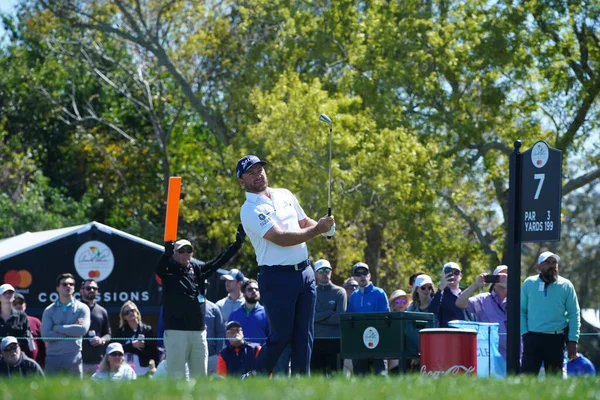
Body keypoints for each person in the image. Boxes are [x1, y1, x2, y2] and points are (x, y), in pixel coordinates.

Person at [237, 154, 335, 376]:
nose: (258, 175)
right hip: (276, 278)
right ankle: (254, 376)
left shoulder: (285, 194)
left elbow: (303, 223)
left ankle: (301, 385)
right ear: (241, 182)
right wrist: (318, 229)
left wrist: (325, 228)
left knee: (304, 335)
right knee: (281, 337)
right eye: (250, 173)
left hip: (305, 273)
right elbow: (281, 238)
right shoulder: (249, 210)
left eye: (259, 169)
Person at [156, 226, 245, 379]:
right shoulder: (169, 270)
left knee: (200, 378)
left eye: (189, 250)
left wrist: (236, 245)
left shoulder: (197, 271)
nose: (186, 254)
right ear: (174, 254)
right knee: (176, 379)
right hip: (176, 332)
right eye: (181, 251)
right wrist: (166, 255)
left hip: (198, 333)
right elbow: (158, 271)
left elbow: (218, 261)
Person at [520, 251, 580, 375]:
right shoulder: (529, 283)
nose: (552, 265)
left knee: (555, 380)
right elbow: (521, 310)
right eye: (547, 262)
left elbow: (574, 314)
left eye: (554, 262)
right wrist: (524, 334)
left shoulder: (566, 285)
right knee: (526, 379)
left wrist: (573, 340)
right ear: (539, 267)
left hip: (556, 340)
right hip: (532, 338)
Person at [41, 273, 90, 378]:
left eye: (71, 284)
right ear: (57, 288)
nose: (68, 286)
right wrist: (72, 330)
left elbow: (82, 331)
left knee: (76, 393)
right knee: (51, 392)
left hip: (74, 357)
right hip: (53, 358)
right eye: (64, 284)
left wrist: (57, 328)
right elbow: (45, 336)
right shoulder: (49, 310)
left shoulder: (82, 308)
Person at [456, 265, 508, 359]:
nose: (505, 277)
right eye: (501, 275)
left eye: (508, 275)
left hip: (515, 354)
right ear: (493, 279)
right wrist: (475, 285)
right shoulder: (482, 299)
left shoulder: (518, 298)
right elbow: (460, 303)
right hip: (488, 356)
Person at [347, 262, 389, 375]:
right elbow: (350, 320)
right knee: (360, 377)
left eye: (364, 273)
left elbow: (385, 318)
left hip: (378, 342)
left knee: (380, 376)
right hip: (359, 343)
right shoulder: (354, 296)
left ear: (369, 275)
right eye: (358, 274)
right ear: (354, 277)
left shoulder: (380, 293)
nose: (362, 276)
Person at [311, 259, 346, 376]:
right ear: (315, 274)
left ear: (331, 272)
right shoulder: (311, 292)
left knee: (335, 378)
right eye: (321, 271)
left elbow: (339, 318)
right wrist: (330, 312)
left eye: (327, 270)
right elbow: (311, 317)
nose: (324, 273)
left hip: (335, 341)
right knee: (316, 379)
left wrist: (319, 317)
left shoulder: (340, 292)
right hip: (315, 340)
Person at [115, 301, 159, 377]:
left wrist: (133, 347)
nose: (130, 313)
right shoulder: (120, 331)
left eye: (132, 310)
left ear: (137, 312)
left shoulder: (147, 330)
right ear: (124, 317)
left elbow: (152, 352)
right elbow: (116, 349)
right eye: (126, 313)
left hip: (143, 370)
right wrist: (132, 345)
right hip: (124, 371)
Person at [79, 279, 112, 375]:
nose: (92, 290)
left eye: (95, 288)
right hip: (78, 361)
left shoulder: (102, 311)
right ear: (81, 291)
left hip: (98, 362)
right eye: (88, 288)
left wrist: (102, 339)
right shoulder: (75, 309)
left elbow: (108, 334)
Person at [0, 284, 35, 358]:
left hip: (17, 355)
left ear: (13, 296)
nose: (8, 295)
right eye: (4, 293)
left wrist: (12, 348)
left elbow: (26, 337)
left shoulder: (22, 316)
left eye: (10, 293)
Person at [229, 280, 269, 344]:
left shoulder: (266, 313)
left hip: (261, 353)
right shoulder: (234, 314)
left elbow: (272, 337)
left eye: (257, 289)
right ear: (244, 294)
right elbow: (228, 338)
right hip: (239, 353)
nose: (254, 291)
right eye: (250, 289)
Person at [428, 262, 467, 327]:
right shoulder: (439, 295)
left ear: (461, 276)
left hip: (463, 334)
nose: (453, 275)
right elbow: (432, 312)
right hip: (446, 334)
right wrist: (440, 289)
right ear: (442, 275)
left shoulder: (465, 295)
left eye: (456, 272)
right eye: (448, 272)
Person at [12, 293, 45, 368]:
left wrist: (43, 363)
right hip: (12, 364)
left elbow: (43, 345)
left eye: (20, 303)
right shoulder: (6, 322)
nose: (18, 305)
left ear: (25, 306)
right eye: (15, 303)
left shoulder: (35, 321)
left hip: (33, 364)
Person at [206, 298, 226, 375]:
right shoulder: (186, 306)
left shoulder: (213, 308)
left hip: (212, 356)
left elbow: (220, 332)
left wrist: (218, 352)